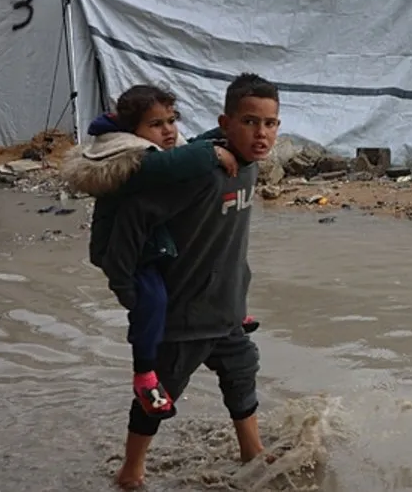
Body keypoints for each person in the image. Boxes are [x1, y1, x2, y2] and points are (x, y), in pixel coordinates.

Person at [93, 74, 281, 489]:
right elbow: (131, 220)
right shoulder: (199, 171)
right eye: (250, 122)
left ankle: (252, 450)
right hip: (184, 315)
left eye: (270, 123)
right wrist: (128, 293)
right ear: (226, 123)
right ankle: (130, 472)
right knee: (159, 395)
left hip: (226, 308)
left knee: (242, 372)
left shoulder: (246, 165)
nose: (261, 133)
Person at [61, 85, 260, 419]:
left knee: (234, 265)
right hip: (129, 254)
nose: (168, 130)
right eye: (156, 124)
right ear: (132, 130)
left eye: (171, 120)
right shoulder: (130, 157)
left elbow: (189, 146)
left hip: (154, 245)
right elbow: (181, 162)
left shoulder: (159, 146)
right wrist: (125, 287)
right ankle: (145, 374)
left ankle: (231, 311)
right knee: (151, 302)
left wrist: (230, 134)